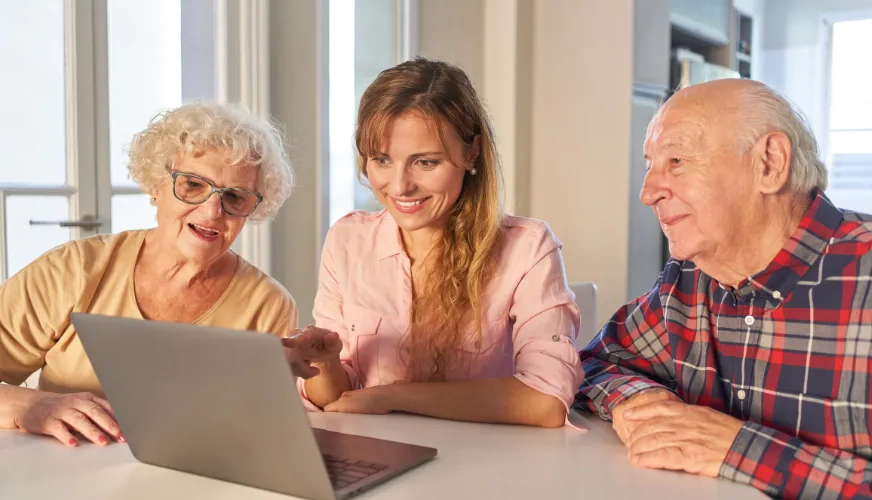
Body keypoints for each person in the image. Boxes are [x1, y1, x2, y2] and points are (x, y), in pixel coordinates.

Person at [0, 102, 342, 447]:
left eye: (235, 196)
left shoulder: (267, 304)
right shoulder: (73, 270)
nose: (213, 210)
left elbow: (255, 435)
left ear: (252, 209)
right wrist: (30, 407)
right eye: (193, 185)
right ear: (156, 186)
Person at [576, 79, 872, 498]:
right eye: (650, 165)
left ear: (769, 164)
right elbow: (596, 363)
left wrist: (741, 451)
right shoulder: (686, 282)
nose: (647, 193)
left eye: (676, 160)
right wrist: (637, 404)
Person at [298, 57, 584, 428]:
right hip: (378, 459)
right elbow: (338, 400)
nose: (399, 186)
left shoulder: (528, 248)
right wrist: (323, 363)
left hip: (486, 467)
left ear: (471, 152)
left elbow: (546, 402)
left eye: (426, 163)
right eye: (382, 160)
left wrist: (393, 396)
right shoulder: (347, 240)